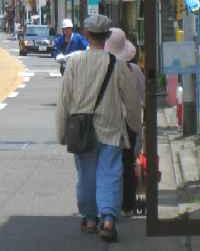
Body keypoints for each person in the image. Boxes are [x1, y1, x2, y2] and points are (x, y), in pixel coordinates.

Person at [55, 15, 141, 243]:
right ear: (107, 36)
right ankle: (109, 219)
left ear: (86, 35)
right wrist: (135, 126)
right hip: (111, 127)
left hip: (82, 129)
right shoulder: (118, 64)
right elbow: (132, 101)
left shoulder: (74, 62)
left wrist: (61, 131)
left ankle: (90, 218)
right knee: (110, 173)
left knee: (86, 174)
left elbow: (64, 99)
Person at [104, 27, 145, 216]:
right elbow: (143, 97)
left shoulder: (102, 70)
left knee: (108, 165)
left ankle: (109, 206)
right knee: (128, 164)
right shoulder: (134, 70)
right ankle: (127, 205)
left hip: (107, 124)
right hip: (130, 124)